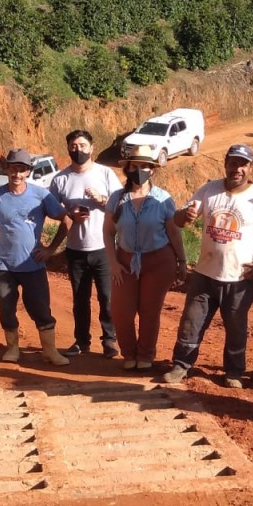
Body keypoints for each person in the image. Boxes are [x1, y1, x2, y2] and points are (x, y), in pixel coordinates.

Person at [162, 144, 253, 389]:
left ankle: (233, 372)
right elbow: (179, 220)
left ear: (250, 168)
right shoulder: (209, 190)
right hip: (204, 273)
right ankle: (181, 365)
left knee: (235, 327)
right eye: (233, 162)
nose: (237, 169)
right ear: (225, 163)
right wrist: (185, 216)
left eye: (243, 164)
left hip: (240, 277)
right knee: (191, 321)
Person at [104, 144, 188, 371]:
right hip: (125, 260)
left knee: (150, 311)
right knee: (122, 312)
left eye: (145, 166)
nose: (140, 170)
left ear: (153, 170)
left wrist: (182, 260)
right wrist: (113, 263)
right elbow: (108, 231)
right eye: (136, 165)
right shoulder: (117, 199)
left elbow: (173, 231)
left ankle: (145, 355)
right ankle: (129, 353)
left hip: (159, 260)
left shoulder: (163, 199)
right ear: (128, 168)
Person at [0, 147, 71, 366]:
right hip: (5, 266)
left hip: (34, 265)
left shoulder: (41, 195)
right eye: (13, 169)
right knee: (7, 308)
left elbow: (66, 220)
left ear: (28, 172)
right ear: (7, 169)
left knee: (41, 309)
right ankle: (13, 348)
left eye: (21, 170)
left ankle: (50, 351)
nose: (17, 174)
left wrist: (51, 249)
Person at [50, 129, 122, 358]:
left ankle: (110, 341)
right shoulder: (60, 179)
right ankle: (82, 341)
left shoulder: (106, 174)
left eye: (82, 145)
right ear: (68, 148)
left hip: (103, 249)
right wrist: (70, 214)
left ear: (91, 147)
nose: (78, 149)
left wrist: (102, 200)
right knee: (80, 300)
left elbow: (121, 206)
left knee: (107, 298)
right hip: (75, 250)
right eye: (73, 146)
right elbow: (53, 211)